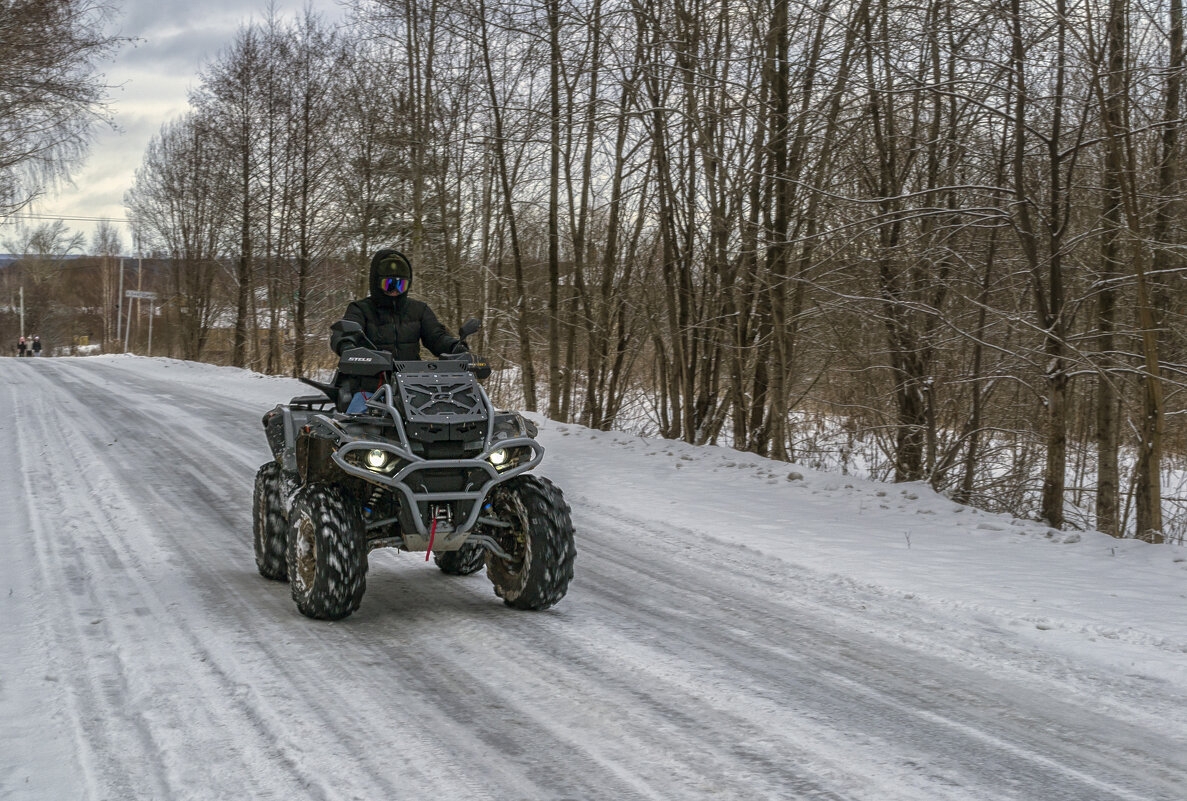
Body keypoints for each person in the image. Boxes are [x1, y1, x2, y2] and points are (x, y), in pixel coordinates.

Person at [330, 249, 464, 360]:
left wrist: (454, 346)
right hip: (370, 381)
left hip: (411, 381)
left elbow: (436, 337)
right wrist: (346, 345)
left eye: (401, 285)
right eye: (389, 285)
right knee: (359, 394)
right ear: (376, 283)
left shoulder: (419, 310)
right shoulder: (360, 309)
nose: (395, 291)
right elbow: (345, 331)